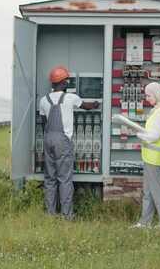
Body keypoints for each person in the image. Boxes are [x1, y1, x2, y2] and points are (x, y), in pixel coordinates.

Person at [39, 65, 99, 220]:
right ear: (64, 83)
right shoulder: (71, 98)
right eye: (67, 80)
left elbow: (44, 121)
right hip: (62, 141)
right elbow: (87, 107)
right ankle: (67, 215)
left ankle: (50, 214)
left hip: (48, 139)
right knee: (64, 178)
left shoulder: (43, 100)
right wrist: (96, 104)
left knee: (49, 178)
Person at [131, 82, 160, 229]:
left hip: (154, 157)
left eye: (149, 95)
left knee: (156, 190)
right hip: (153, 156)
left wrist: (139, 134)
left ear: (156, 94)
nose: (146, 98)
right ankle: (144, 222)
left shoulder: (159, 112)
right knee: (148, 190)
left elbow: (154, 136)